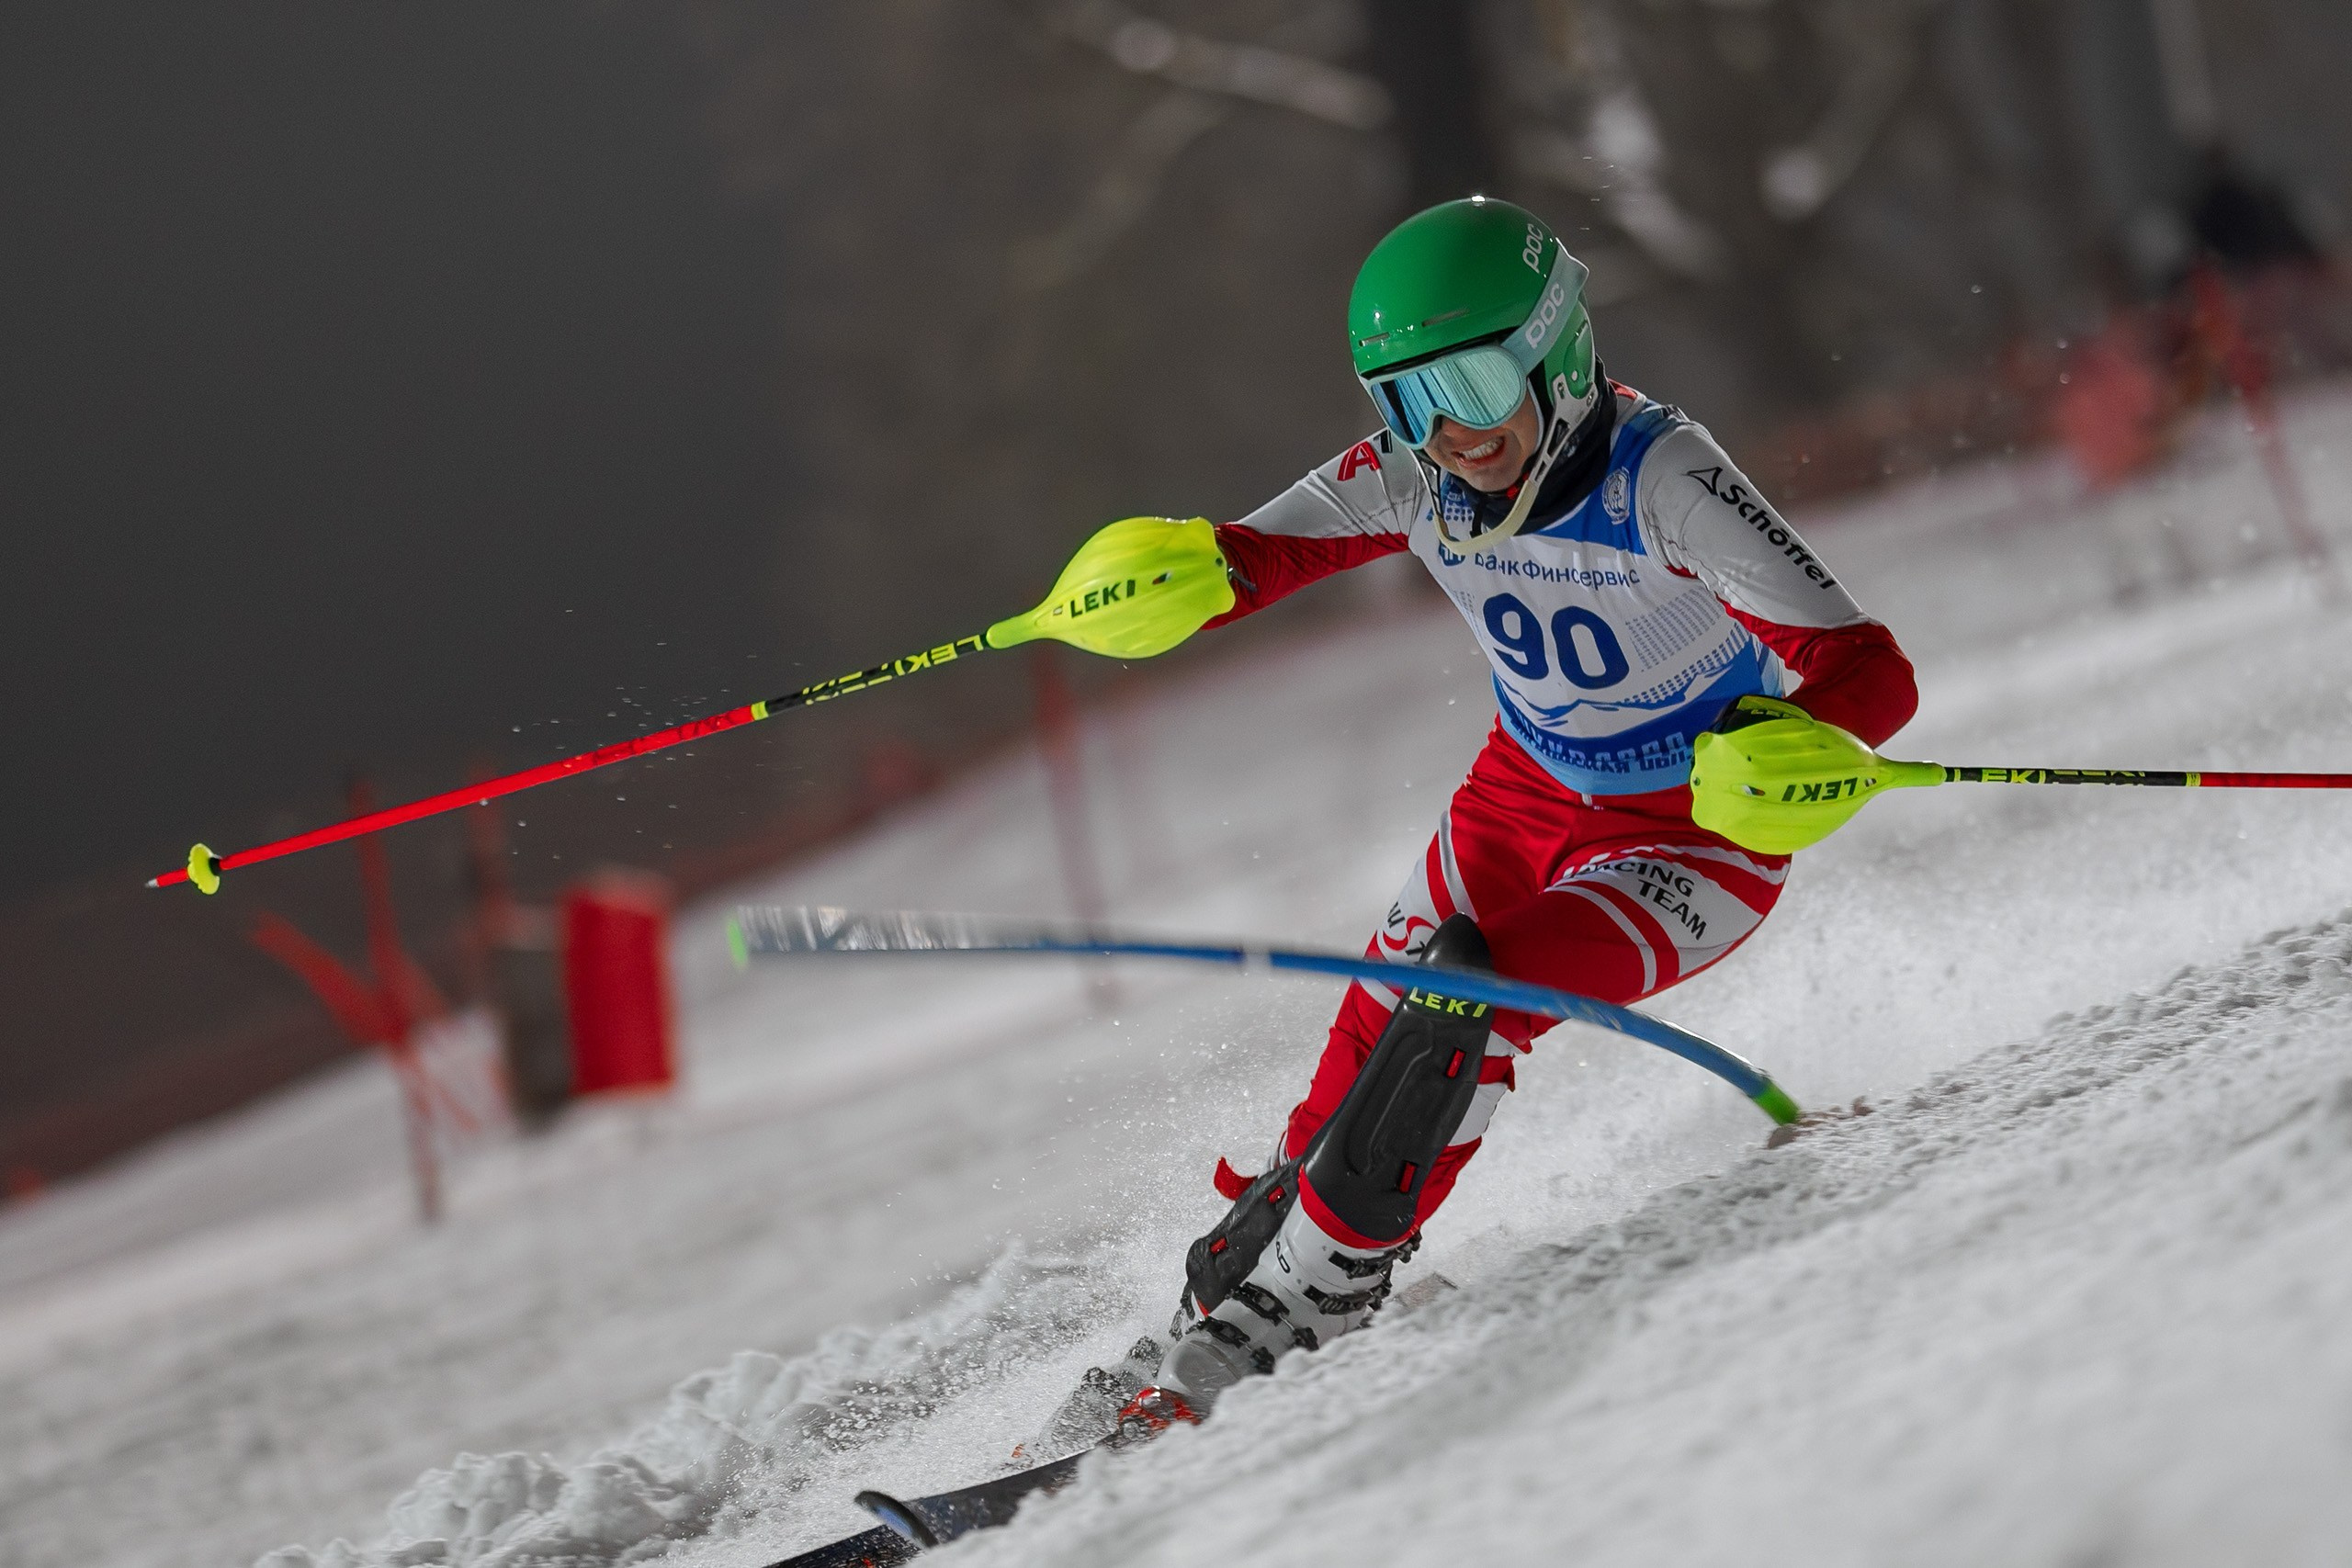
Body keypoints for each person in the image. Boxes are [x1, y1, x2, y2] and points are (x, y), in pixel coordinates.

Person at [1055, 196, 1919, 1438]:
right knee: (1374, 1019)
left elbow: (1865, 666)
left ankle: (1325, 1288)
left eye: (1465, 384)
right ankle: (1243, 1283)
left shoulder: (1660, 476)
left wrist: (1803, 742)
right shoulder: (1415, 472)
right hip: (1519, 803)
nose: (1446, 435)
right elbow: (1250, 558)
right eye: (1405, 400)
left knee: (1477, 991)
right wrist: (1155, 585)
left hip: (1694, 837)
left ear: (1554, 351)